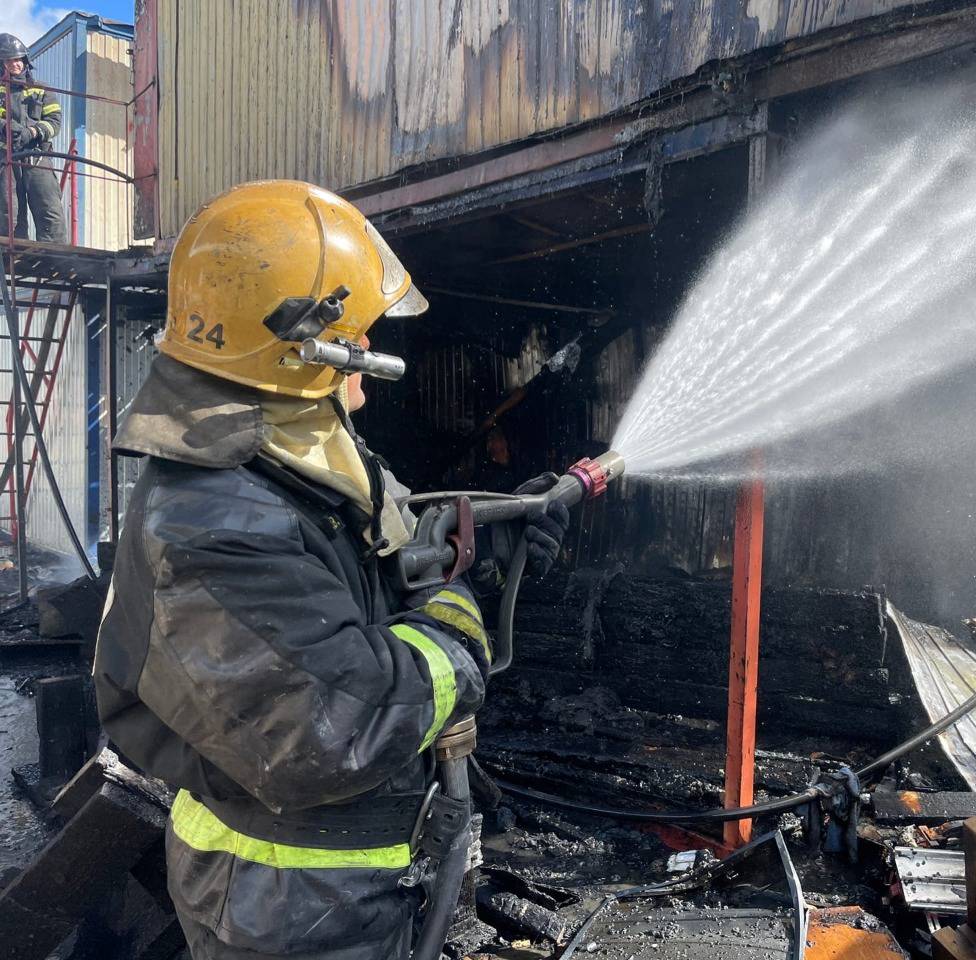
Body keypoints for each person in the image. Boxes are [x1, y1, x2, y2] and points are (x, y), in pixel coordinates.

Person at [93, 180, 569, 959]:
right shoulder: (216, 520)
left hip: (333, 889)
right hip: (288, 905)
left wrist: (488, 548)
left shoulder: (287, 457)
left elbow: (383, 554)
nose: (371, 363)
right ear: (305, 349)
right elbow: (341, 722)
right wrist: (457, 616)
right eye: (362, 333)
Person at [0, 33, 65, 243]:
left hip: (37, 157)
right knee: (8, 210)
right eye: (10, 60)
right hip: (6, 159)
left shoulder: (41, 89)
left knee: (49, 207)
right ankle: (12, 254)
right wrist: (7, 128)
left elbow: (55, 121)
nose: (16, 64)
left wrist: (33, 132)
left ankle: (55, 259)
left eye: (19, 59)